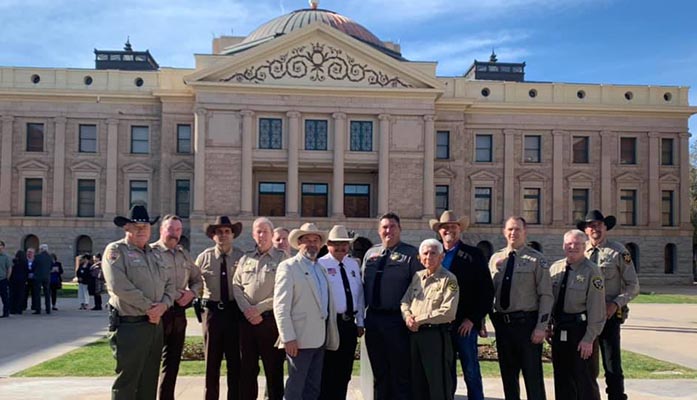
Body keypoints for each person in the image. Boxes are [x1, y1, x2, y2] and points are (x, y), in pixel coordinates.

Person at [101, 204, 174, 400]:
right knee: (127, 382)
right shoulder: (116, 251)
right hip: (131, 326)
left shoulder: (155, 253)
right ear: (126, 227)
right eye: (136, 226)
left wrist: (164, 305)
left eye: (145, 226)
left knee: (149, 381)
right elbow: (119, 286)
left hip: (154, 325)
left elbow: (170, 284)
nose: (141, 230)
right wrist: (150, 308)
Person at [430, 211, 493, 400]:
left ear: (460, 230)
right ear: (439, 231)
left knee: (470, 370)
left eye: (453, 227)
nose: (449, 230)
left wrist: (473, 319)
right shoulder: (433, 254)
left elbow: (486, 291)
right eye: (445, 227)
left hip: (464, 324)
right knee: (445, 371)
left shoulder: (474, 255)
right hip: (441, 325)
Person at [577, 210, 640, 400]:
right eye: (591, 226)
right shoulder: (580, 251)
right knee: (585, 364)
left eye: (598, 225)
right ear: (586, 230)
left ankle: (616, 396)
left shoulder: (619, 251)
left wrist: (615, 304)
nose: (595, 228)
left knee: (612, 364)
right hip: (584, 316)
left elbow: (633, 286)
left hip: (608, 315)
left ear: (605, 227)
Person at [489, 216, 553, 400]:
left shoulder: (536, 259)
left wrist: (541, 327)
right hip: (504, 326)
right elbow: (489, 292)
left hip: (527, 326)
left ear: (525, 232)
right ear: (504, 232)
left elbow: (546, 295)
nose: (513, 233)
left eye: (517, 229)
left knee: (533, 378)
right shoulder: (495, 259)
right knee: (508, 378)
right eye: (510, 229)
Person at [273, 223, 339, 400]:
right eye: (307, 240)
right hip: (299, 340)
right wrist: (288, 337)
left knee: (313, 388)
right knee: (295, 389)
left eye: (315, 240)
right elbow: (281, 306)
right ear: (298, 243)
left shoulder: (320, 268)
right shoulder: (288, 267)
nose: (312, 244)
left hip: (319, 339)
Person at [362, 212, 422, 400]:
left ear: (400, 229)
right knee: (379, 371)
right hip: (373, 320)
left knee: (400, 372)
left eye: (392, 226)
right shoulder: (370, 254)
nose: (388, 231)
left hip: (398, 321)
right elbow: (362, 286)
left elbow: (419, 289)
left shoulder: (411, 255)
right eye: (385, 227)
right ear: (379, 231)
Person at [232, 217, 287, 400]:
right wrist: (247, 309)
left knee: (273, 370)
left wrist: (259, 308)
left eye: (265, 231)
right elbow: (236, 285)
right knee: (247, 370)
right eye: (258, 231)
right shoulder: (245, 258)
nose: (262, 235)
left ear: (272, 234)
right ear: (253, 235)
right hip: (247, 321)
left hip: (270, 322)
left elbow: (284, 290)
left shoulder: (282, 259)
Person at [151, 214, 203, 400]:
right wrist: (174, 294)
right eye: (170, 229)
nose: (174, 233)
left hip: (178, 314)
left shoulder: (184, 255)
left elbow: (198, 280)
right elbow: (149, 284)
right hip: (158, 313)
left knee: (172, 362)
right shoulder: (151, 253)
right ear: (161, 230)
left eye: (178, 229)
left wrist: (192, 293)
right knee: (151, 362)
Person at [549, 229, 605, 400]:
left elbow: (597, 308)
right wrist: (547, 325)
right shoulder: (555, 268)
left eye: (577, 244)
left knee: (584, 380)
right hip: (560, 330)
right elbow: (549, 301)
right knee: (562, 378)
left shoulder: (592, 271)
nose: (572, 247)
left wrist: (589, 338)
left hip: (580, 331)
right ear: (563, 245)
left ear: (584, 246)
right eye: (569, 244)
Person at [400, 238, 459, 400]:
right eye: (425, 253)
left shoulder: (449, 279)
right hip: (414, 336)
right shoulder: (417, 277)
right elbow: (405, 301)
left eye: (433, 253)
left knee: (438, 385)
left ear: (441, 257)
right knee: (417, 383)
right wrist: (407, 317)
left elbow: (449, 312)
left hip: (435, 337)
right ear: (420, 258)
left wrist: (419, 319)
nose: (428, 257)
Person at [196, 216, 245, 400]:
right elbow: (194, 282)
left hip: (234, 313)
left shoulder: (241, 257)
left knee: (235, 362)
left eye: (227, 231)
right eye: (219, 232)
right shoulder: (204, 257)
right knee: (211, 362)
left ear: (233, 235)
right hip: (212, 313)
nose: (223, 235)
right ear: (213, 235)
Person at [318, 225, 365, 400]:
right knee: (327, 371)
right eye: (335, 244)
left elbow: (359, 294)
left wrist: (360, 321)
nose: (340, 247)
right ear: (328, 245)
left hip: (349, 324)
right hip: (330, 324)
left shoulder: (353, 264)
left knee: (345, 371)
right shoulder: (321, 264)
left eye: (344, 244)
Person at [32, 244, 53, 315]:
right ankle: (48, 309)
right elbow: (51, 266)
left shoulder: (37, 256)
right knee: (47, 293)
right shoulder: (50, 257)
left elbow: (33, 266)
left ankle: (38, 309)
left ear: (41, 249)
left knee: (37, 293)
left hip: (38, 276)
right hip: (47, 276)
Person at [9, 250, 28, 315]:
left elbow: (10, 270)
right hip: (22, 280)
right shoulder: (25, 262)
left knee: (12, 294)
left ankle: (12, 309)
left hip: (13, 280)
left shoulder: (13, 261)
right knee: (20, 295)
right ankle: (19, 309)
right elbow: (26, 271)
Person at [0, 241, 11, 318]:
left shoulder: (6, 257)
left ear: (3, 247)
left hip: (2, 279)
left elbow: (9, 268)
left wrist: (7, 278)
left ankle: (6, 312)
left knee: (4, 297)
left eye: (0, 245)